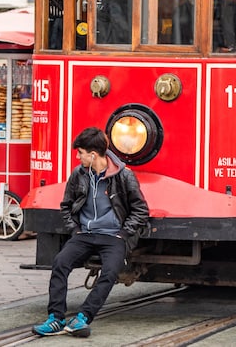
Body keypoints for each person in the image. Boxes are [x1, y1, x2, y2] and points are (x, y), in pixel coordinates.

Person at [32, 127, 149, 338]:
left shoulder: (124, 175)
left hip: (114, 236)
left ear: (93, 154)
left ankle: (83, 318)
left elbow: (141, 210)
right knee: (60, 263)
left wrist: (123, 234)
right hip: (84, 235)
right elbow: (66, 206)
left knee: (110, 272)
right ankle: (56, 318)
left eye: (80, 153)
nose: (78, 158)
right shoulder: (79, 174)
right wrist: (75, 230)